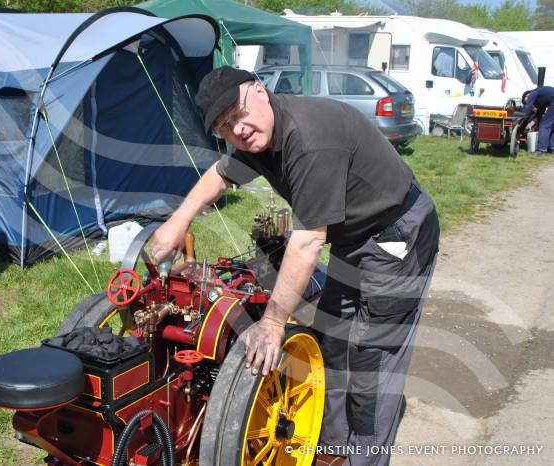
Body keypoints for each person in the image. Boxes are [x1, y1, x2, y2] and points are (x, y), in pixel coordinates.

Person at [151, 66, 440, 466]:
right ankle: (332, 450)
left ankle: (367, 459)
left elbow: (307, 242)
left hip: (396, 233)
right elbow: (220, 175)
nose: (238, 130)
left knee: (372, 359)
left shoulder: (309, 137)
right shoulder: (262, 138)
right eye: (224, 127)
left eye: (237, 113)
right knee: (335, 340)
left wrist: (272, 322)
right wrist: (176, 222)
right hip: (353, 237)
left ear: (258, 90)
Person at [522, 86, 554, 154]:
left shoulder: (532, 93)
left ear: (527, 96)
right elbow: (539, 114)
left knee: (544, 125)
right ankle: (552, 147)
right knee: (551, 125)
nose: (528, 102)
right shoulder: (542, 99)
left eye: (526, 100)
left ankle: (542, 149)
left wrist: (522, 118)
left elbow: (527, 108)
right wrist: (531, 124)